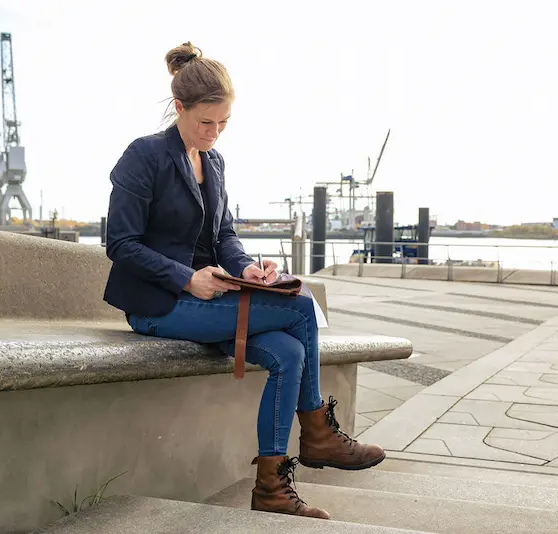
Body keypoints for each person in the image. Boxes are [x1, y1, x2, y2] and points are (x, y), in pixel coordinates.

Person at [102, 42, 385, 520]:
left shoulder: (214, 162)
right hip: (157, 305)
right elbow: (120, 244)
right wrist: (187, 278)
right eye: (205, 123)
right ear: (179, 108)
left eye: (223, 124)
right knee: (298, 306)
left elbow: (224, 235)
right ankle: (316, 434)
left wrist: (248, 268)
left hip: (213, 300)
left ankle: (272, 488)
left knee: (289, 351)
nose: (214, 133)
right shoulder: (144, 155)